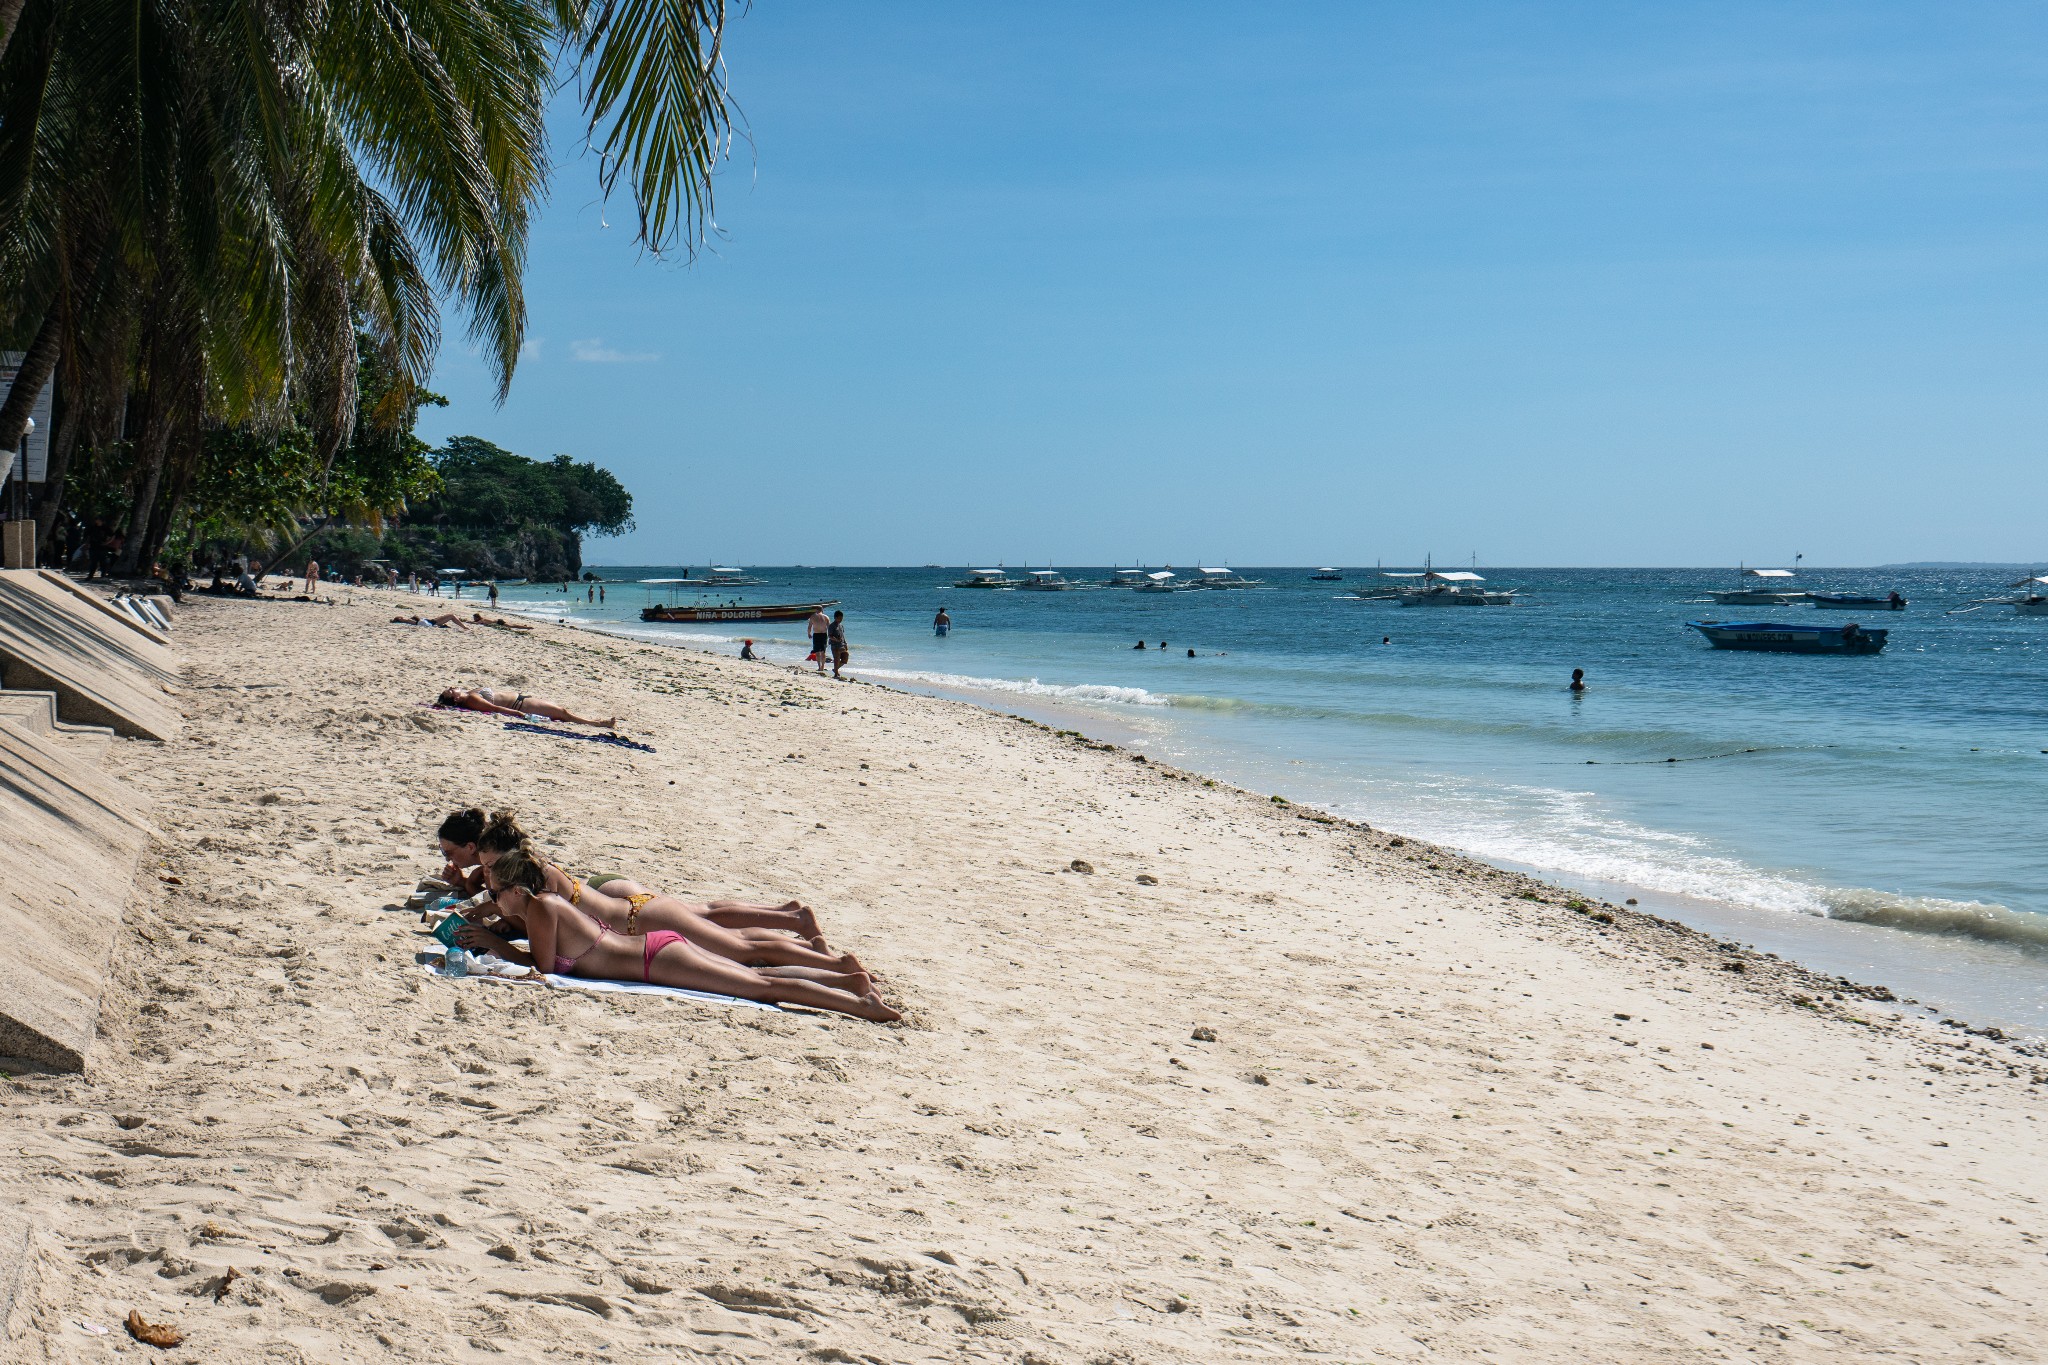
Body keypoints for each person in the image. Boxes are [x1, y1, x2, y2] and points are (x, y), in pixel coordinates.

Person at [453, 846, 899, 1021]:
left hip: (657, 959)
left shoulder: (543, 910)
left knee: (760, 985)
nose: (493, 898)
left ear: (515, 890)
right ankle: (847, 982)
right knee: (756, 973)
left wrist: (497, 946)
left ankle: (860, 1004)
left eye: (496, 891)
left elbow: (545, 969)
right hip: (656, 951)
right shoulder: (544, 907)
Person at [437, 687, 616, 728]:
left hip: (522, 700)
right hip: (521, 705)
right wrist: (520, 714)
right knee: (562, 713)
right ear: (456, 698)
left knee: (561, 711)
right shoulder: (472, 700)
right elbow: (496, 709)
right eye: (451, 690)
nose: (453, 687)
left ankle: (595, 722)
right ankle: (597, 724)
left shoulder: (470, 694)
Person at [807, 607, 831, 675]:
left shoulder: (812, 616)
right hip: (824, 635)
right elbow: (829, 628)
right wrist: (830, 636)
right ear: (822, 610)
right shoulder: (826, 617)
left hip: (816, 634)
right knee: (823, 651)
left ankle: (819, 667)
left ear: (816, 610)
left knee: (817, 652)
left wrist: (809, 634)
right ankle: (823, 667)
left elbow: (809, 627)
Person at [828, 610, 850, 679]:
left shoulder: (841, 626)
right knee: (836, 659)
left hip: (842, 645)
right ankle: (836, 674)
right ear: (835, 617)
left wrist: (845, 644)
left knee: (845, 657)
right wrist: (836, 639)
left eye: (841, 618)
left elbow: (843, 636)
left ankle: (835, 669)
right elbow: (830, 636)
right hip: (835, 645)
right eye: (839, 618)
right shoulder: (832, 626)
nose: (840, 620)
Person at [394, 613, 471, 628]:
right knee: (452, 616)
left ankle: (464, 626)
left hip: (432, 621)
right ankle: (464, 627)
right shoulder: (408, 621)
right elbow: (404, 620)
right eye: (400, 617)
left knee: (451, 615)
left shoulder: (411, 621)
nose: (402, 617)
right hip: (433, 623)